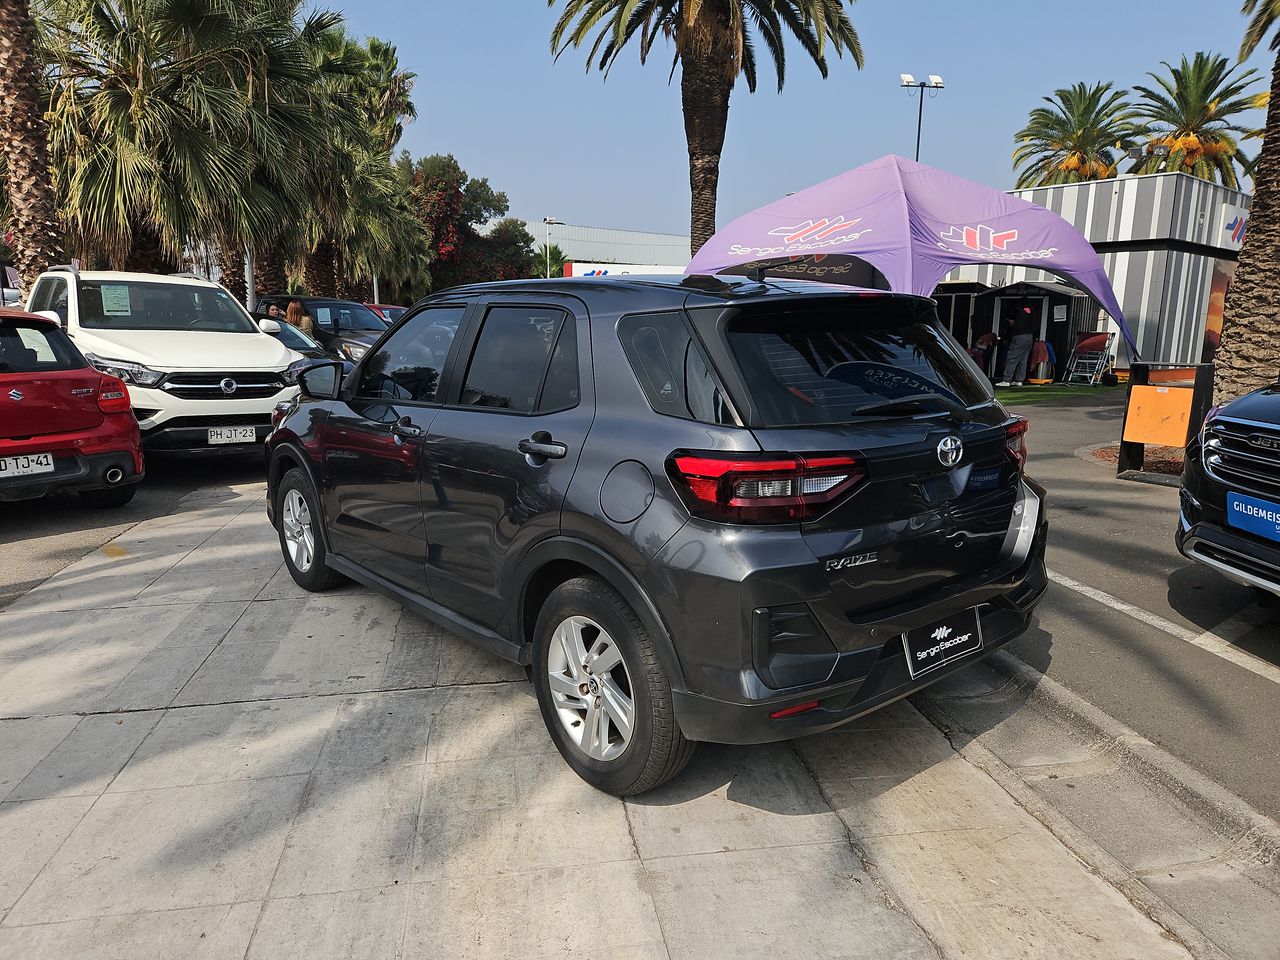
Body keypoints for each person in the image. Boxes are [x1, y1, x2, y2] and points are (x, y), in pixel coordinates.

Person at [996, 307, 1035, 387]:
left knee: (1012, 358)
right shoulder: (1032, 313)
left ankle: (1006, 380)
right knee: (1023, 359)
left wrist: (1012, 324)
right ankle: (1019, 380)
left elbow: (1018, 326)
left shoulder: (1020, 313)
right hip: (1029, 336)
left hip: (1020, 337)